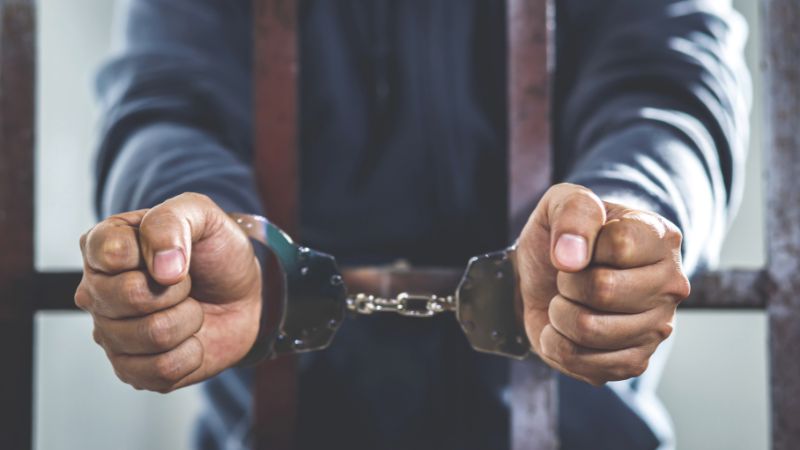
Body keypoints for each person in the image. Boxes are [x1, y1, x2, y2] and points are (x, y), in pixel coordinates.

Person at [74, 0, 750, 449]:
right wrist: (199, 234)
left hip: (572, 421)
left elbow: (667, 86)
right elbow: (168, 102)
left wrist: (621, 216)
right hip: (279, 420)